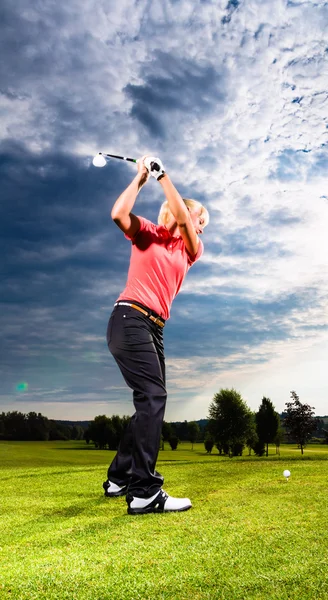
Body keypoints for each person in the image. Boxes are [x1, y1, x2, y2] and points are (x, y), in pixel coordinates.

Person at [102, 155, 209, 515]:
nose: (202, 228)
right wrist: (143, 179)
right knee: (152, 397)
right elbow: (118, 214)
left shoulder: (190, 250)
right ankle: (145, 491)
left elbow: (183, 220)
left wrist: (164, 176)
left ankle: (118, 478)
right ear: (185, 212)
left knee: (148, 401)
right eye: (201, 220)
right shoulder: (147, 233)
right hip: (129, 318)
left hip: (153, 328)